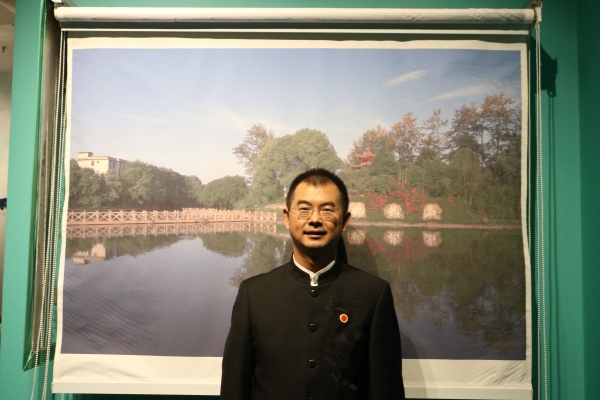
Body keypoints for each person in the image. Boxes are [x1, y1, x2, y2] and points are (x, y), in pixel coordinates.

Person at [221, 168, 405, 400]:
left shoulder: (373, 293)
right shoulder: (253, 294)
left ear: (345, 220)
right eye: (304, 209)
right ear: (287, 218)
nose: (315, 219)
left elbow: (386, 388)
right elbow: (234, 386)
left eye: (327, 210)